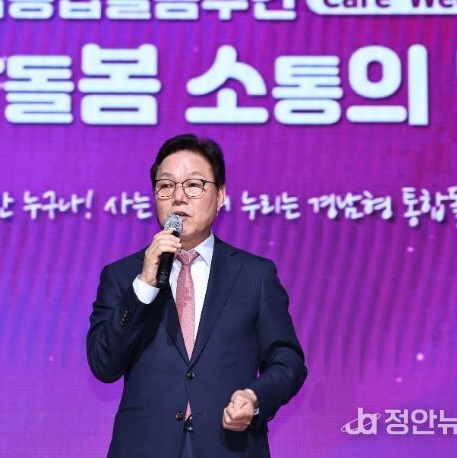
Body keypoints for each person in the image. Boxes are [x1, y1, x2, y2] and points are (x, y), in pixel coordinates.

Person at [87, 134, 307, 457]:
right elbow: (103, 364)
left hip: (230, 447)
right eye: (166, 186)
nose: (178, 197)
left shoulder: (255, 275)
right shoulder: (123, 276)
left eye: (193, 185)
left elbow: (288, 362)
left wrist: (255, 397)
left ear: (220, 196)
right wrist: (144, 286)